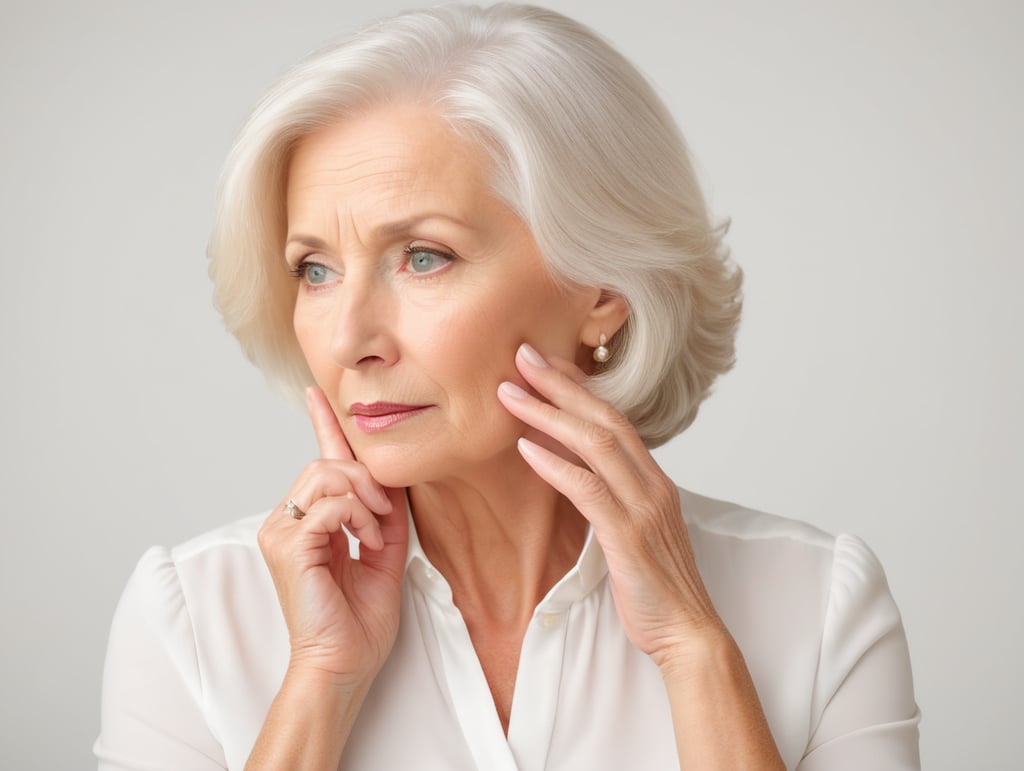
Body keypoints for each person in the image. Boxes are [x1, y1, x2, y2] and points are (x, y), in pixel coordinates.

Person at [94, 4, 920, 769]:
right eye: (315, 269)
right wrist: (320, 680)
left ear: (601, 287)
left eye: (423, 256)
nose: (347, 340)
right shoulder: (192, 617)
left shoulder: (818, 603)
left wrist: (694, 649)